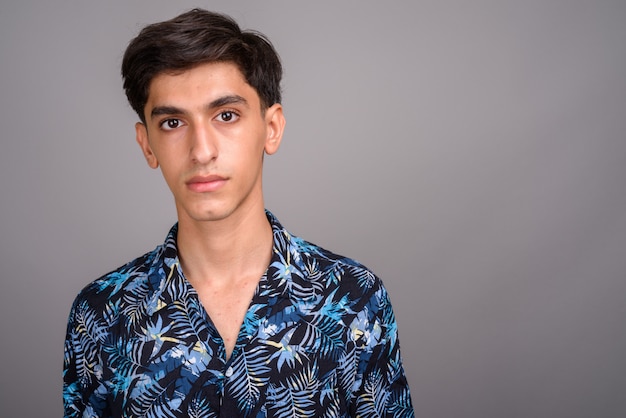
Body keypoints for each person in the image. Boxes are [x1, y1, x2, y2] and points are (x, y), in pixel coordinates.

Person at [63, 8, 414, 417]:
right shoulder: (103, 313)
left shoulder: (354, 299)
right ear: (146, 144)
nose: (201, 150)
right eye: (173, 122)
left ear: (271, 128)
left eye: (226, 116)